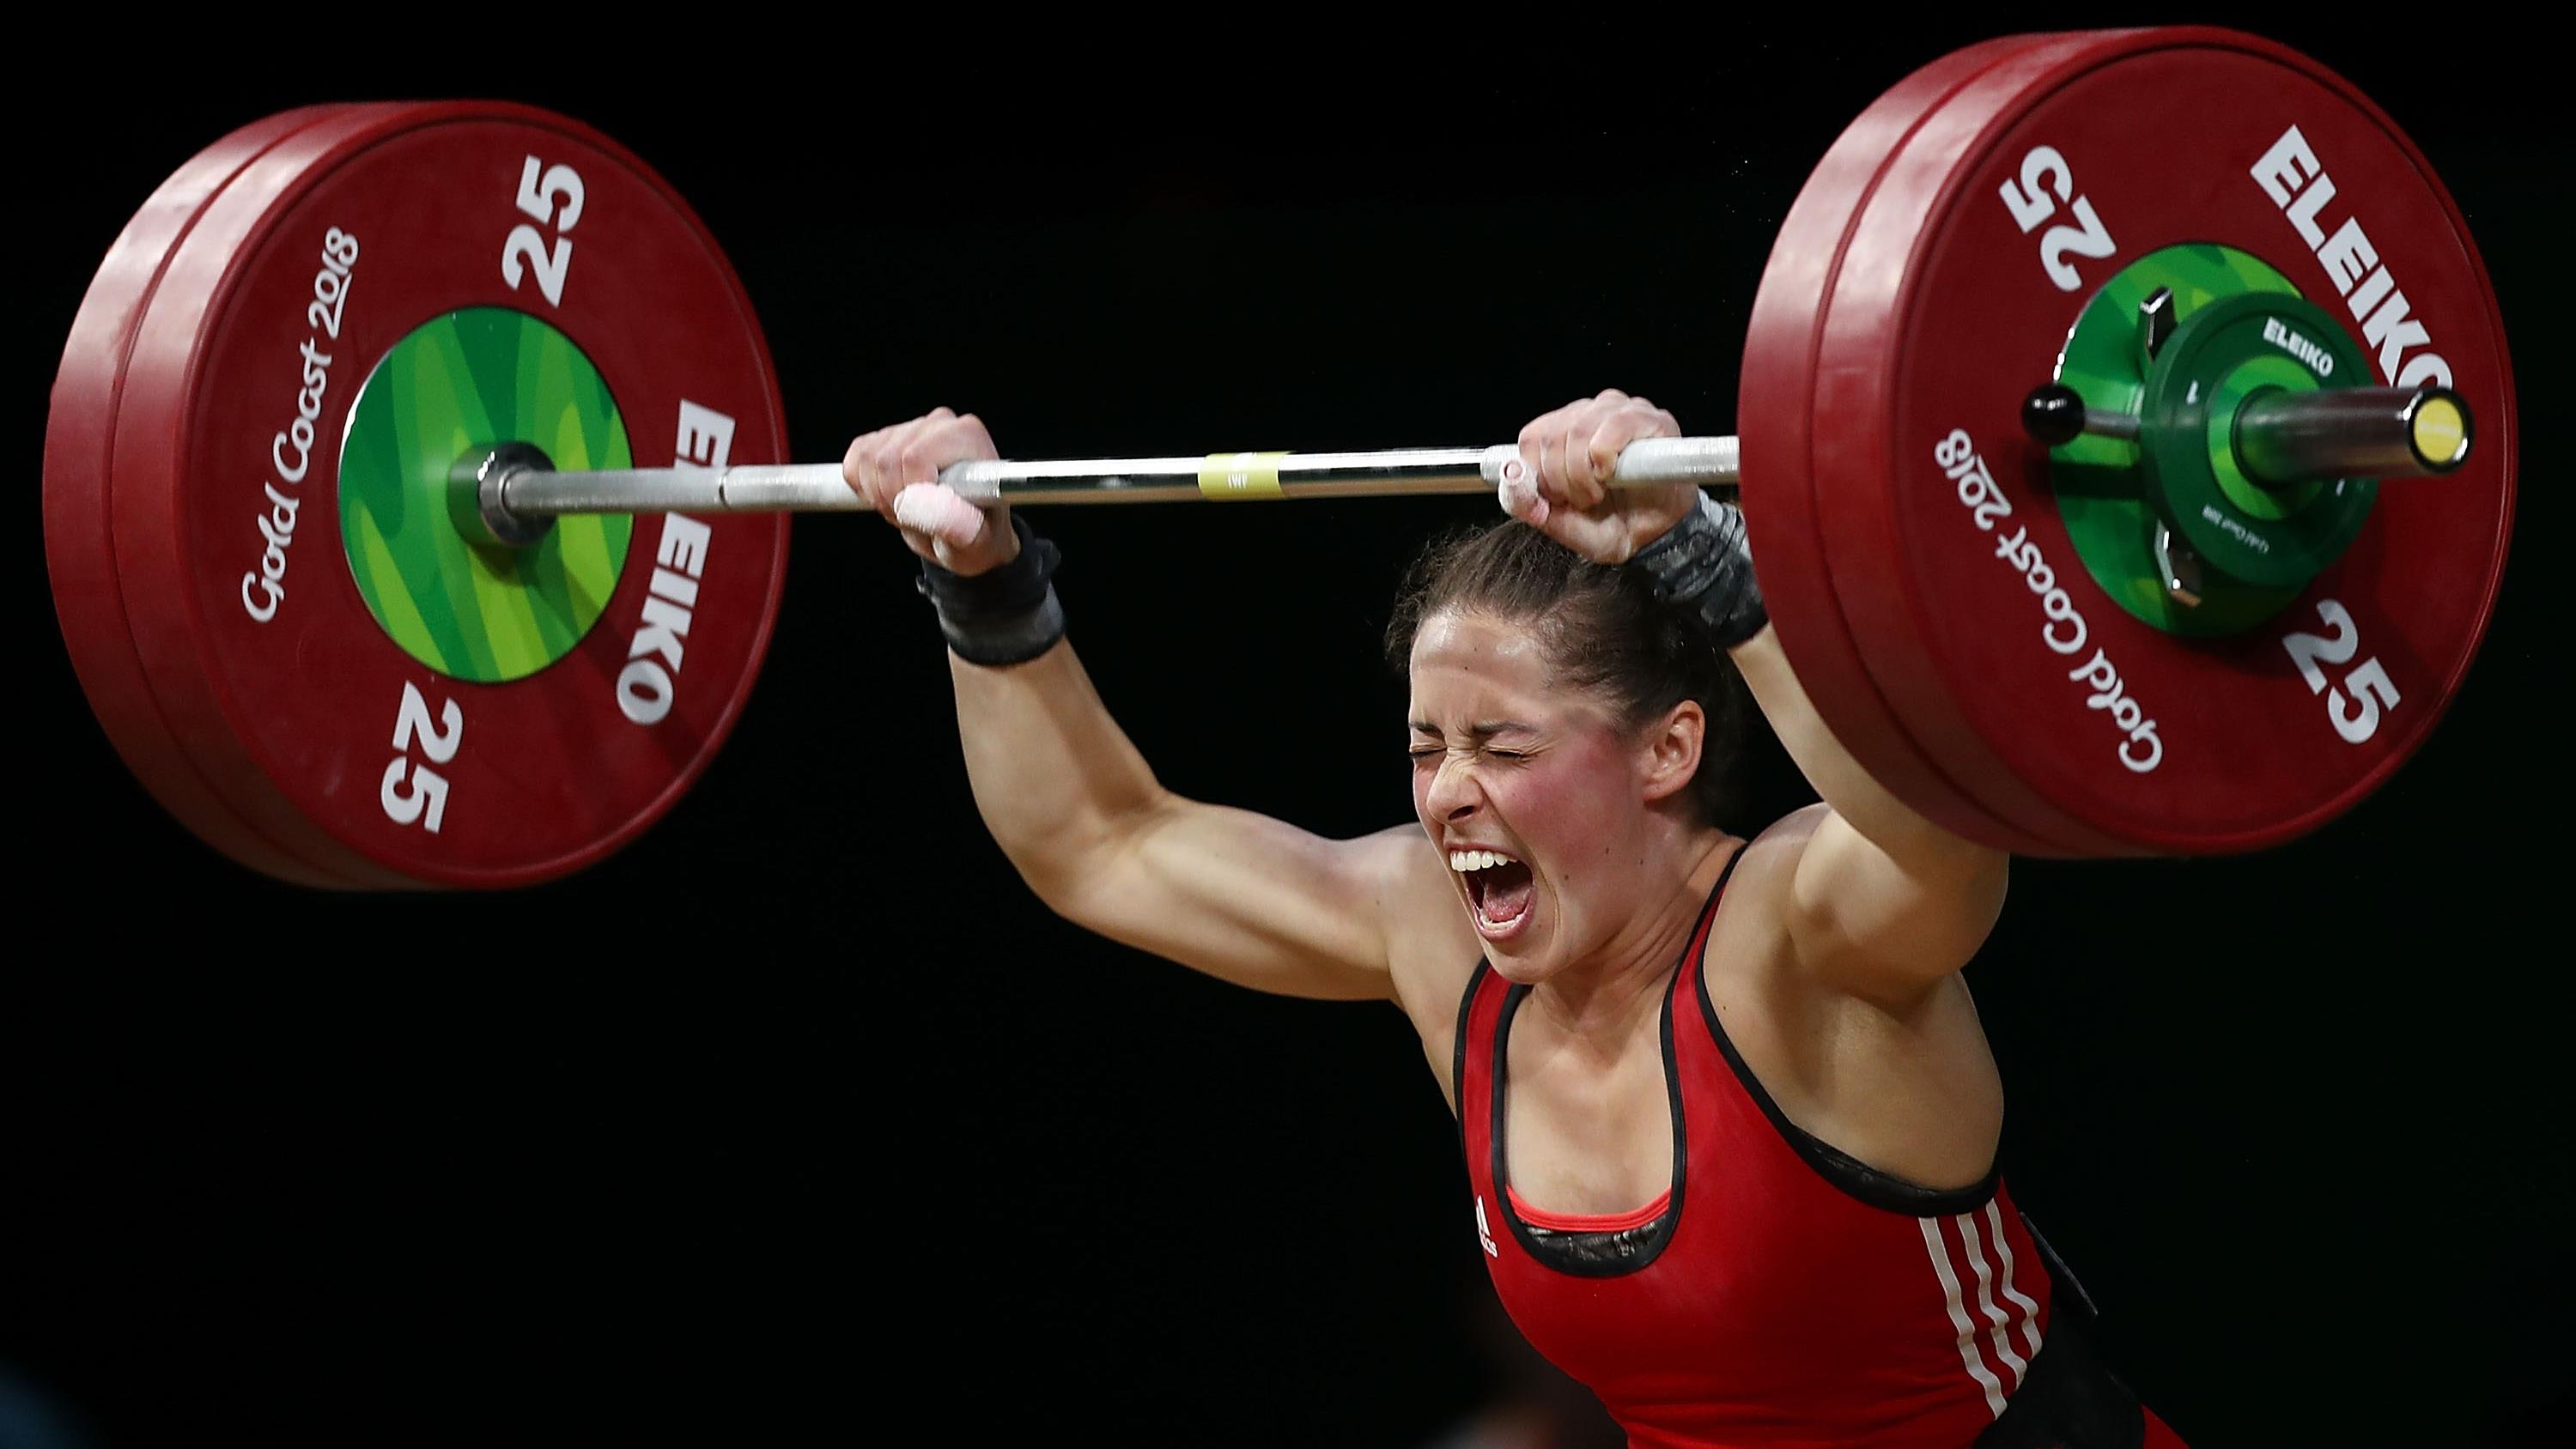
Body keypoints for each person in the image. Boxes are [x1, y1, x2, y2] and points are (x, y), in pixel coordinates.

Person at [843, 391, 2190, 1448]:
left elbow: (1938, 822)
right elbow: (1102, 845)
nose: (1449, 796)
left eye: (1502, 742)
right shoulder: (1434, 942)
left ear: (1667, 752)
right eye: (1428, 746)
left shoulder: (1797, 937)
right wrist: (984, 586)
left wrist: (1703, 547)